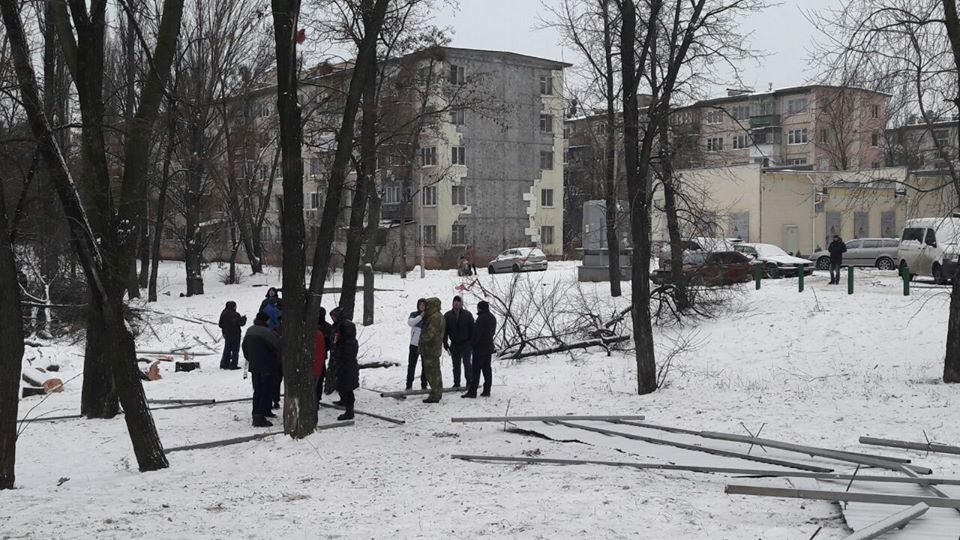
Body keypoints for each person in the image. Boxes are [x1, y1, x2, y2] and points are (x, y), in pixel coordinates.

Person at [242, 312, 282, 427]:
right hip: (267, 365)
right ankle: (259, 416)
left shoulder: (250, 330)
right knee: (265, 390)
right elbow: (278, 347)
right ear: (267, 321)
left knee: (258, 390)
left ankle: (262, 411)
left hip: (254, 366)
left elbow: (244, 347)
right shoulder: (268, 333)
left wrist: (250, 358)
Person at [327, 307, 359, 421]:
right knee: (342, 385)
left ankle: (349, 410)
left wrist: (339, 354)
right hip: (341, 363)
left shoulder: (348, 342)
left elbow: (346, 352)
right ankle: (344, 401)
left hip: (346, 365)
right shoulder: (337, 329)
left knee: (347, 387)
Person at [463, 300, 496, 398]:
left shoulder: (481, 318)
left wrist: (472, 344)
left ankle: (472, 392)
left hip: (479, 349)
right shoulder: (492, 318)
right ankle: (487, 390)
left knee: (476, 371)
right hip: (489, 347)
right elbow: (492, 332)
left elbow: (477, 334)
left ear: (480, 308)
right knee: (487, 370)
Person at [443, 295, 475, 390]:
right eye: (454, 301)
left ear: (461, 303)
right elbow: (445, 331)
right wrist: (445, 342)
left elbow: (472, 329)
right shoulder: (448, 315)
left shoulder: (467, 314)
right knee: (456, 365)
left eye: (458, 301)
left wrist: (472, 342)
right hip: (454, 344)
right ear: (452, 303)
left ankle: (469, 381)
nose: (456, 303)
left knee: (467, 364)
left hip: (466, 343)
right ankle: (456, 383)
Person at [419, 297, 445, 403]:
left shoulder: (434, 317)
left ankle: (435, 394)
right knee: (436, 372)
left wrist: (421, 338)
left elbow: (430, 334)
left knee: (432, 373)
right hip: (434, 348)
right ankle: (437, 392)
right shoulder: (439, 316)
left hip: (430, 349)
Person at [406, 299, 428, 390]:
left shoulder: (428, 316)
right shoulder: (414, 314)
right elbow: (411, 323)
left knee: (425, 366)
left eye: (423, 305)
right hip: (414, 344)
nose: (422, 306)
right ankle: (409, 385)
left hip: (424, 344)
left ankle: (424, 385)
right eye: (420, 305)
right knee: (411, 365)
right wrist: (420, 316)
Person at [218, 301, 247, 370]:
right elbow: (241, 323)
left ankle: (224, 363)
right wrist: (244, 319)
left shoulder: (223, 313)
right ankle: (234, 364)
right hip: (235, 334)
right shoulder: (236, 314)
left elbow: (220, 324)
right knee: (235, 349)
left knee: (227, 348)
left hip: (226, 334)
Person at [314, 308, 332, 406]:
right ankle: (316, 398)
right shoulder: (327, 327)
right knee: (319, 378)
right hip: (322, 355)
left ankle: (315, 399)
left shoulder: (313, 327)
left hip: (318, 355)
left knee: (318, 378)